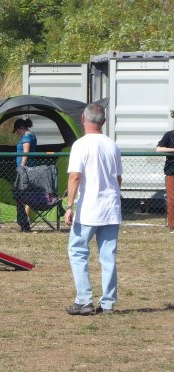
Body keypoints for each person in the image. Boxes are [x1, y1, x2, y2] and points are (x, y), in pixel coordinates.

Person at [64, 103, 122, 315]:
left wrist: (69, 206)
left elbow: (75, 176)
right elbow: (118, 179)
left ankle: (84, 300)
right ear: (104, 122)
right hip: (111, 207)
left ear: (83, 119)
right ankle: (107, 303)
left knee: (78, 251)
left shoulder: (81, 145)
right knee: (108, 256)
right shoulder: (112, 145)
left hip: (89, 208)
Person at [13, 118, 37, 232]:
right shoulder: (32, 135)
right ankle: (25, 218)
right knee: (26, 194)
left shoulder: (27, 136)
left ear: (20, 128)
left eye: (17, 131)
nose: (17, 133)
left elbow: (25, 152)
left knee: (23, 194)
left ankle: (25, 219)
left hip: (25, 170)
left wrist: (22, 166)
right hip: (27, 168)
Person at [156, 130, 174, 233]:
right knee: (172, 199)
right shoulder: (169, 135)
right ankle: (172, 224)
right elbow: (158, 149)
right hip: (171, 172)